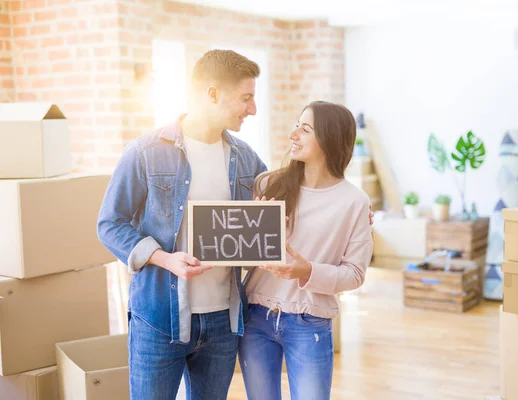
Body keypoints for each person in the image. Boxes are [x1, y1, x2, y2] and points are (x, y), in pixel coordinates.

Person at [97, 49, 267, 400]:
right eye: (246, 98)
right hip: (159, 320)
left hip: (224, 321)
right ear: (213, 93)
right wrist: (165, 258)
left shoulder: (246, 157)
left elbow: (283, 204)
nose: (253, 109)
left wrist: (348, 208)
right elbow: (109, 224)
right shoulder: (145, 152)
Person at [239, 101, 374, 400]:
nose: (293, 134)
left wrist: (308, 271)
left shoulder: (354, 202)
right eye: (296, 125)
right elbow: (244, 261)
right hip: (256, 317)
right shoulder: (268, 184)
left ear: (329, 138)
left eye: (305, 128)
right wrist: (253, 233)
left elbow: (355, 274)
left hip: (308, 323)